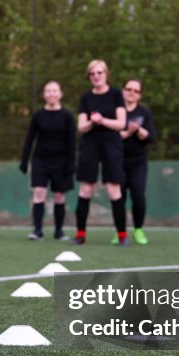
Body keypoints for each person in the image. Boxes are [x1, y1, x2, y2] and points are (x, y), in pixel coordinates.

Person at [73, 59, 128, 246]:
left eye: (99, 72)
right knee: (86, 188)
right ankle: (80, 234)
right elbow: (81, 127)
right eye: (92, 73)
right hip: (90, 144)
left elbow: (121, 124)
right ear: (89, 77)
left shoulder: (116, 95)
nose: (96, 76)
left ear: (106, 74)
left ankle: (122, 235)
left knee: (114, 188)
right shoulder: (86, 98)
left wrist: (102, 120)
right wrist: (92, 122)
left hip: (111, 144)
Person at [19, 80, 75, 240]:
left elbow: (72, 142)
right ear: (44, 95)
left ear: (60, 94)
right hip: (40, 161)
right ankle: (37, 230)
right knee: (39, 193)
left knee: (59, 196)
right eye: (48, 91)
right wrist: (24, 161)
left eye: (55, 90)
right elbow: (30, 139)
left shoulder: (67, 116)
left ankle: (59, 231)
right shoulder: (38, 116)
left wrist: (71, 166)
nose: (51, 94)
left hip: (61, 162)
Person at [119, 78, 156, 246]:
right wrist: (127, 131)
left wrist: (139, 130)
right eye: (128, 89)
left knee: (138, 195)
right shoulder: (116, 111)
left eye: (135, 90)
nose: (131, 93)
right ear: (123, 91)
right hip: (117, 161)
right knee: (118, 197)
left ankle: (138, 229)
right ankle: (120, 231)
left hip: (138, 162)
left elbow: (151, 137)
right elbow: (109, 136)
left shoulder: (144, 113)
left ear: (139, 95)